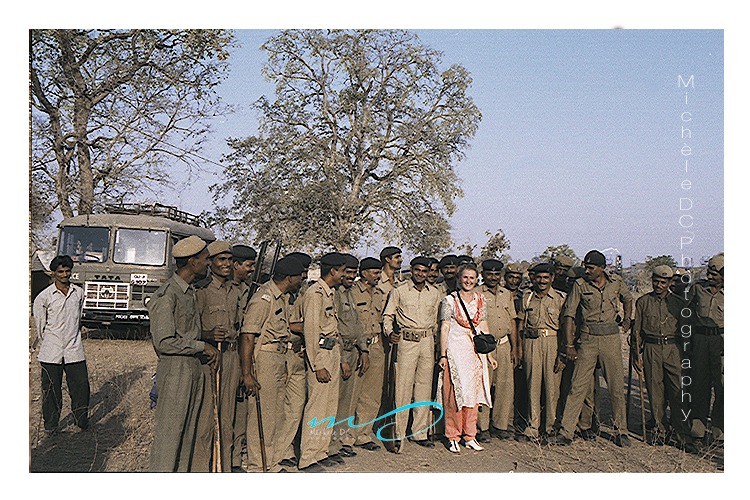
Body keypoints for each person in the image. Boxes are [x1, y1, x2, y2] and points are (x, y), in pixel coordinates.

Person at [147, 235, 219, 472]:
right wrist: (201, 346)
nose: (209, 264)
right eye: (205, 259)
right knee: (170, 435)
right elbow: (165, 342)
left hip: (191, 368)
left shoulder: (188, 292)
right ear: (192, 262)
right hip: (175, 370)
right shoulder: (167, 295)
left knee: (188, 433)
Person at [549, 250, 633, 447]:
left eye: (591, 267)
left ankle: (621, 431)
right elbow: (569, 315)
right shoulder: (580, 285)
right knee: (577, 386)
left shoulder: (616, 282)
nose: (586, 270)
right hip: (587, 339)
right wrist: (569, 345)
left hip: (611, 338)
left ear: (602, 268)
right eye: (585, 266)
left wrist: (628, 318)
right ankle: (566, 431)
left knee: (615, 387)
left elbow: (628, 298)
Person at [241, 256, 305, 472]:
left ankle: (271, 462)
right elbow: (248, 336)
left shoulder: (282, 298)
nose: (302, 279)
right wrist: (247, 373)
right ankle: (257, 466)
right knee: (263, 414)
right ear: (289, 277)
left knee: (276, 413)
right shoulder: (264, 299)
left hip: (279, 358)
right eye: (299, 276)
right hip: (265, 360)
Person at [193, 241, 244, 472]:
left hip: (232, 356)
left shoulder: (235, 291)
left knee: (227, 415)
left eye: (229, 260)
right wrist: (207, 334)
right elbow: (190, 330)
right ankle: (203, 467)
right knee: (207, 417)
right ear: (210, 262)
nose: (226, 264)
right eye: (221, 259)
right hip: (211, 357)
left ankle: (224, 465)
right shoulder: (201, 290)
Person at [382, 256, 441, 452]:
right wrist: (390, 333)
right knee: (403, 388)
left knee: (424, 388)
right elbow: (388, 315)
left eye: (425, 271)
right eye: (417, 270)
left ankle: (420, 432)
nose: (420, 274)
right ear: (412, 270)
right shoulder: (399, 291)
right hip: (407, 341)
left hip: (427, 341)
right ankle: (398, 434)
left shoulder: (435, 293)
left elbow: (438, 322)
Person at [632, 265, 694, 449]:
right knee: (655, 392)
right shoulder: (643, 302)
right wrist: (637, 354)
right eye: (656, 281)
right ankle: (660, 430)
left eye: (663, 282)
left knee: (677, 392)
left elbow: (686, 332)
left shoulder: (678, 303)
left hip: (673, 349)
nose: (659, 285)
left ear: (669, 283)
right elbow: (637, 332)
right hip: (651, 348)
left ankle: (682, 435)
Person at [438, 262, 497, 453]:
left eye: (472, 278)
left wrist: (489, 356)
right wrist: (443, 354)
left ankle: (470, 435)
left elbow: (484, 327)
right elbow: (445, 327)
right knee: (456, 394)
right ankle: (452, 436)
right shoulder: (449, 301)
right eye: (465, 277)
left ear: (476, 279)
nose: (468, 281)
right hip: (456, 350)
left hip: (475, 353)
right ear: (459, 279)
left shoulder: (481, 300)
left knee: (473, 394)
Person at [298, 252, 347, 472]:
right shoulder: (314, 294)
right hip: (320, 353)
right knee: (316, 407)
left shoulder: (330, 293)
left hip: (332, 351)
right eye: (343, 270)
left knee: (329, 407)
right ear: (333, 271)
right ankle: (307, 457)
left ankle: (321, 451)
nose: (345, 274)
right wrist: (317, 364)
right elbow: (310, 331)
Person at [34, 255, 89, 435]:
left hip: (74, 349)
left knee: (81, 387)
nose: (64, 274)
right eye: (60, 272)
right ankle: (51, 425)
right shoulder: (44, 297)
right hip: (52, 351)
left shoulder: (78, 293)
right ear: (53, 273)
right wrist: (52, 342)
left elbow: (78, 318)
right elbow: (41, 326)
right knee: (51, 391)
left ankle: (81, 422)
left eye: (67, 271)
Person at [515, 263, 566, 442]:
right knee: (532, 384)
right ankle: (532, 426)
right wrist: (520, 349)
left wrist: (562, 353)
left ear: (552, 278)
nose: (542, 281)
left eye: (546, 277)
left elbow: (566, 328)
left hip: (552, 342)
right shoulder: (527, 297)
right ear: (533, 278)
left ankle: (551, 427)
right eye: (539, 277)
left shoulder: (560, 298)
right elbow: (521, 324)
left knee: (552, 387)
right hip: (531, 341)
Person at [274, 252, 313, 468]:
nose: (304, 276)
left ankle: (285, 447)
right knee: (279, 406)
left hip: (296, 353)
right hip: (280, 352)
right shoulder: (275, 293)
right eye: (301, 272)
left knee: (295, 405)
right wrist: (306, 327)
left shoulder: (304, 292)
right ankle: (279, 451)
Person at [328, 254, 368, 462]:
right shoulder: (333, 294)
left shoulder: (349, 293)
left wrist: (364, 350)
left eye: (354, 273)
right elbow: (334, 328)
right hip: (340, 353)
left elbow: (356, 325)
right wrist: (343, 358)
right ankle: (329, 445)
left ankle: (339, 442)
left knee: (347, 403)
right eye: (347, 272)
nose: (351, 276)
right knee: (335, 402)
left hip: (353, 351)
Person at [476, 258, 521, 442]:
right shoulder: (477, 293)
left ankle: (500, 425)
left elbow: (512, 321)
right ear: (483, 274)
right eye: (489, 274)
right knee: (484, 386)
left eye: (496, 274)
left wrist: (515, 348)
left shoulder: (506, 294)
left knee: (505, 386)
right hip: (484, 346)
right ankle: (482, 427)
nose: (493, 277)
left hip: (504, 344)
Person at [348, 257, 389, 451]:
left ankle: (362, 434)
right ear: (363, 273)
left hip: (375, 346)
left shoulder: (380, 293)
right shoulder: (352, 293)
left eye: (379, 272)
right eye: (374, 272)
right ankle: (346, 437)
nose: (378, 276)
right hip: (357, 347)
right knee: (352, 393)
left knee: (372, 394)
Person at [687, 253, 724, 442]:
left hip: (723, 341)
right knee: (700, 384)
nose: (709, 278)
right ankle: (698, 427)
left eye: (714, 275)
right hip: (700, 340)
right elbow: (685, 312)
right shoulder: (697, 289)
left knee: (722, 386)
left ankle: (719, 428)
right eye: (709, 273)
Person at [229, 243, 256, 471]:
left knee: (240, 411)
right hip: (223, 354)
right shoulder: (218, 288)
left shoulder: (249, 290)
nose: (251, 269)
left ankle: (235, 460)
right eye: (248, 265)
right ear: (235, 265)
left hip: (242, 353)